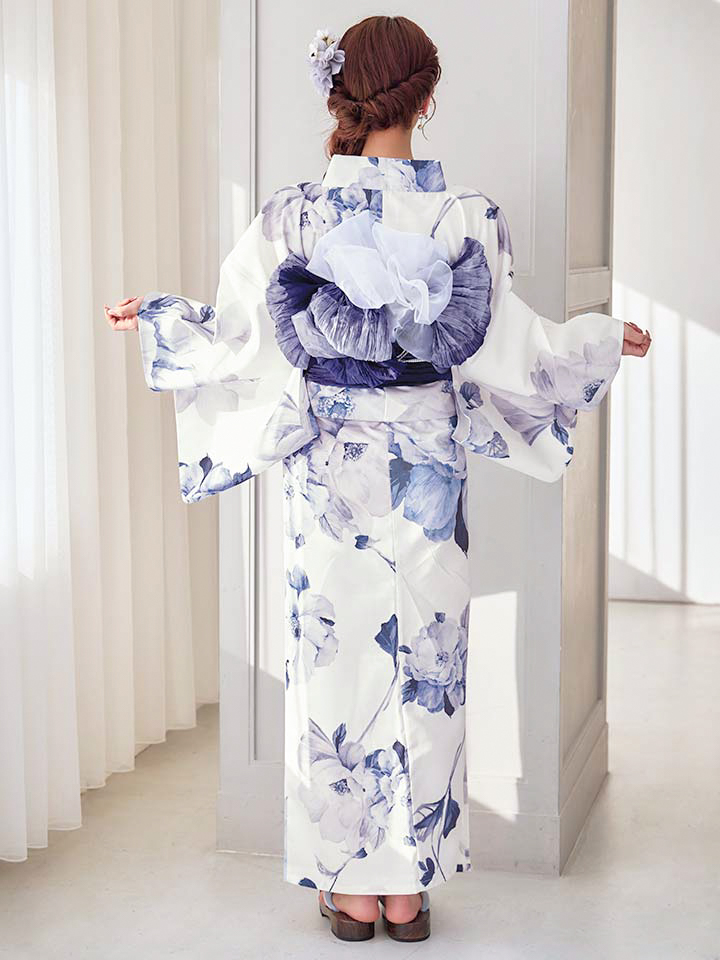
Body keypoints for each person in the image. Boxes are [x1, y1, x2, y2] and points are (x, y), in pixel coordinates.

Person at [104, 15, 651, 944]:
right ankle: (408, 895)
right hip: (427, 475)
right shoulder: (466, 216)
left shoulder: (293, 215)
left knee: (336, 671)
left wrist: (160, 320)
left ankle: (350, 893)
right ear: (426, 99)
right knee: (427, 669)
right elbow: (509, 347)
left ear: (342, 95)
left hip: (328, 478)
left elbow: (239, 333)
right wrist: (600, 342)